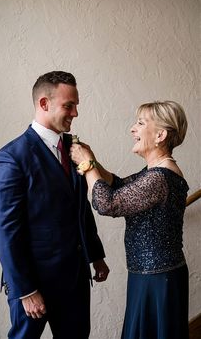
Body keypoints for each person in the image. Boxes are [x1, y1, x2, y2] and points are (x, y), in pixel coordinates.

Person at [0, 71, 109, 339]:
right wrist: (25, 290)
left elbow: (79, 207)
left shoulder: (74, 148)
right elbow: (5, 230)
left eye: (76, 105)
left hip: (76, 278)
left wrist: (95, 254)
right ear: (44, 104)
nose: (76, 113)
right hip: (35, 283)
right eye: (69, 105)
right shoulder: (11, 157)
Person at [70, 100, 189, 339]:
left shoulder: (159, 178)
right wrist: (91, 160)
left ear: (160, 135)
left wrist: (87, 163)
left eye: (140, 123)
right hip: (150, 276)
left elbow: (108, 203)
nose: (132, 129)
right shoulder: (155, 172)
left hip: (157, 280)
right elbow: (120, 185)